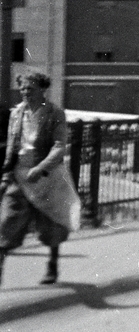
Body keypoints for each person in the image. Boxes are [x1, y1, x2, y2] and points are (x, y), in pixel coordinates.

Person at [0, 71, 79, 286]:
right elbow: (12, 147)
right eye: (23, 88)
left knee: (51, 224)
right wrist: (6, 174)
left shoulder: (55, 113)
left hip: (48, 177)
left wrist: (41, 168)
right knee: (7, 221)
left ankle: (53, 265)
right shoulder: (17, 114)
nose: (26, 92)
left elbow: (59, 147)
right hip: (20, 176)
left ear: (42, 90)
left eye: (31, 89)